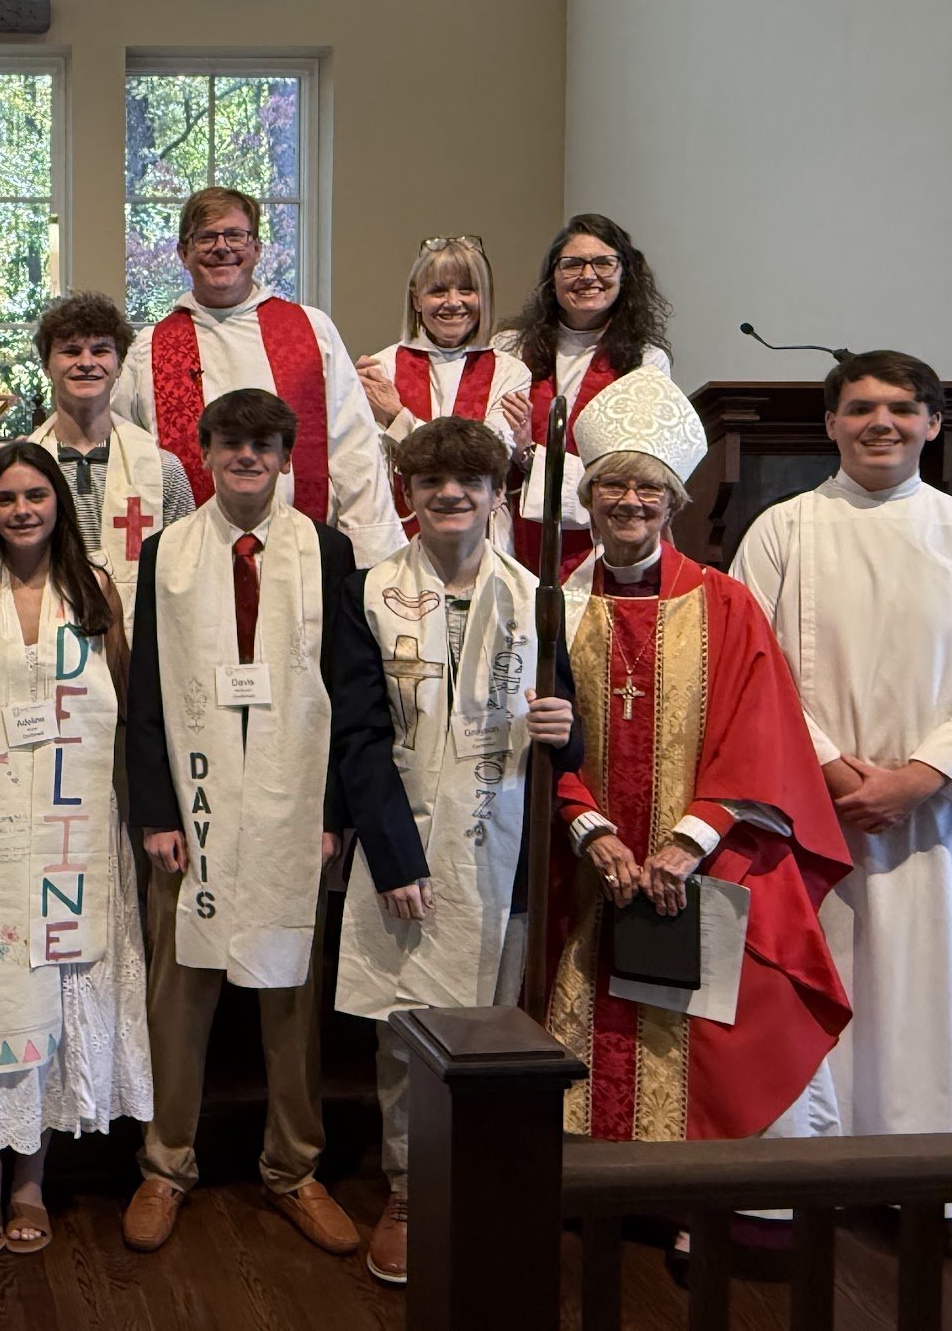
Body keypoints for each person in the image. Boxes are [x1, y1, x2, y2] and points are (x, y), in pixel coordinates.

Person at [731, 351, 952, 1265]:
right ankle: (802, 1181)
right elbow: (753, 664)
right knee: (819, 988)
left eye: (903, 409)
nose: (882, 423)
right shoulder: (781, 531)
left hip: (934, 822)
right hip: (813, 815)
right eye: (860, 407)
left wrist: (924, 774)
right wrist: (828, 768)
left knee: (931, 1001)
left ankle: (932, 1192)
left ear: (934, 425)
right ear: (829, 424)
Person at [122, 388, 427, 1257]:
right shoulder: (167, 553)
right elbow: (146, 690)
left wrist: (332, 814)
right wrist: (154, 811)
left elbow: (346, 690)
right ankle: (164, 1161)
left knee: (290, 995)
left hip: (292, 803)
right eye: (230, 444)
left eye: (263, 444)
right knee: (179, 994)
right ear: (208, 452)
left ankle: (294, 1165)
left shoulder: (326, 552)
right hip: (195, 798)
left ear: (287, 456)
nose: (246, 457)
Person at [544, 367, 850, 1155]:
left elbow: (762, 735)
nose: (630, 504)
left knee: (703, 1028)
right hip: (579, 862)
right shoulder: (554, 605)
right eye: (613, 486)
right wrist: (589, 828)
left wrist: (687, 843)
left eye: (650, 491)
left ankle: (690, 1187)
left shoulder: (725, 603)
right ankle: (584, 1178)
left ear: (674, 504)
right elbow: (536, 730)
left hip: (698, 864)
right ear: (589, 498)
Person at [332, 418, 578, 1286]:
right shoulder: (369, 591)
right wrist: (397, 860)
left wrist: (565, 729)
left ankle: (479, 1180)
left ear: (495, 495)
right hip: (406, 847)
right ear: (408, 493)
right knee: (407, 1030)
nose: (450, 495)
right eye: (432, 481)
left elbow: (569, 738)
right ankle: (405, 1189)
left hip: (503, 852)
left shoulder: (537, 596)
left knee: (493, 1024)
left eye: (469, 482)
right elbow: (357, 738)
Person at [0, 442, 152, 1255]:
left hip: (73, 827)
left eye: (35, 496)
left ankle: (32, 1175)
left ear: (59, 502)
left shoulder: (92, 589)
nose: (22, 511)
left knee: (60, 985)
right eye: (5, 499)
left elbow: (124, 701)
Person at [112, 187, 403, 564]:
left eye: (235, 235)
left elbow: (355, 447)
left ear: (256, 249)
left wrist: (367, 561)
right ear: (183, 253)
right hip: (190, 560)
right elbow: (127, 457)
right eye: (205, 237)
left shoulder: (310, 330)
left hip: (303, 555)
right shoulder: (150, 348)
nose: (222, 247)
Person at [493, 214, 672, 580]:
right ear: (552, 277)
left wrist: (530, 455)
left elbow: (632, 465)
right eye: (572, 264)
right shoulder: (510, 348)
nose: (587, 276)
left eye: (604, 262)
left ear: (625, 272)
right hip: (512, 535)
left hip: (605, 540)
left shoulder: (645, 361)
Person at [23, 292, 193, 636]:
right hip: (44, 641)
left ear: (118, 364)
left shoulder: (163, 470)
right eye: (70, 351)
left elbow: (188, 567)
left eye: (101, 350)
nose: (86, 362)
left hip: (139, 641)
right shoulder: (21, 470)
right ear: (46, 365)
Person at [354, 238, 530, 546]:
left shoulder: (510, 372)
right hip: (398, 531)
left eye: (466, 289)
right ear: (416, 299)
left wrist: (398, 417)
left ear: (484, 298)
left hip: (482, 536)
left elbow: (486, 459)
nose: (453, 301)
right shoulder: (381, 367)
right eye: (438, 290)